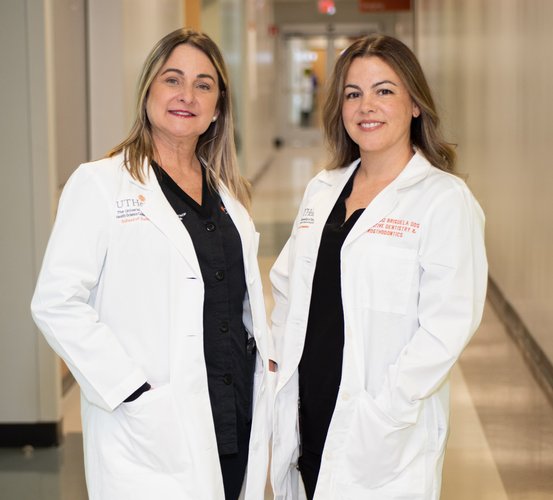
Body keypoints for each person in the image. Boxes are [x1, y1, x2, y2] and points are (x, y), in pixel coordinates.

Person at [31, 28, 273, 500]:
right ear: (147, 93)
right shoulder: (101, 184)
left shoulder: (228, 197)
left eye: (204, 85)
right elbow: (56, 302)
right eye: (172, 80)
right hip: (151, 425)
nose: (187, 95)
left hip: (231, 410)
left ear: (218, 107)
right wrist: (129, 390)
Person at [270, 34, 488, 500]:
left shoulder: (444, 200)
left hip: (381, 430)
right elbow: (289, 287)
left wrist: (386, 410)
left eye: (384, 90)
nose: (366, 106)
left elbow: (447, 327)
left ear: (414, 104)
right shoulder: (322, 190)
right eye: (353, 93)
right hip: (309, 413)